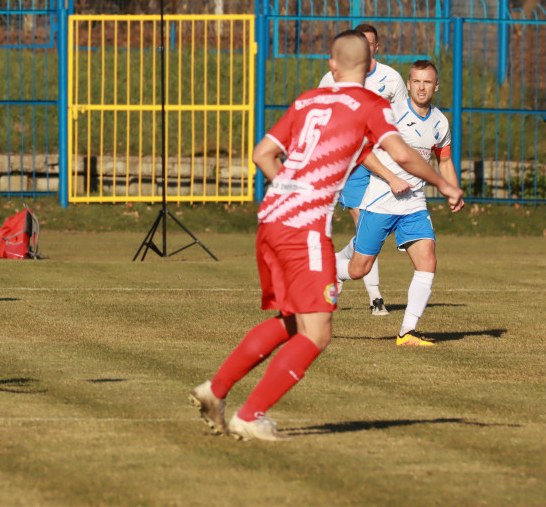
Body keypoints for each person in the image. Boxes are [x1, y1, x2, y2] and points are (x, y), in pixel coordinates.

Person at [189, 30, 463, 442]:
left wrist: (292, 191)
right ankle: (249, 416)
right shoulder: (371, 103)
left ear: (331, 66)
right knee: (317, 332)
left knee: (291, 321)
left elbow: (262, 154)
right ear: (371, 67)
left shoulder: (306, 100)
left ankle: (215, 391)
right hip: (304, 228)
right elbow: (404, 154)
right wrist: (444, 185)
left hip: (271, 219)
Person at [338, 60, 458, 346]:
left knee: (427, 259)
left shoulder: (440, 123)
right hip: (380, 198)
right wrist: (391, 177)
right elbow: (363, 152)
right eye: (416, 81)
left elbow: (444, 160)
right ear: (408, 84)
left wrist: (453, 189)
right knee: (358, 270)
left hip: (414, 203)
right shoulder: (390, 115)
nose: (421, 87)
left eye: (427, 82)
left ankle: (407, 332)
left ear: (436, 87)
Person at [319, 23, 407, 315]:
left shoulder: (391, 79)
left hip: (384, 162)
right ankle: (376, 298)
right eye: (360, 43)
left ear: (377, 47)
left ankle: (335, 265)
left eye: (370, 43)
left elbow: (402, 122)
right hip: (354, 163)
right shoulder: (333, 78)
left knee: (372, 232)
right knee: (367, 227)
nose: (365, 48)